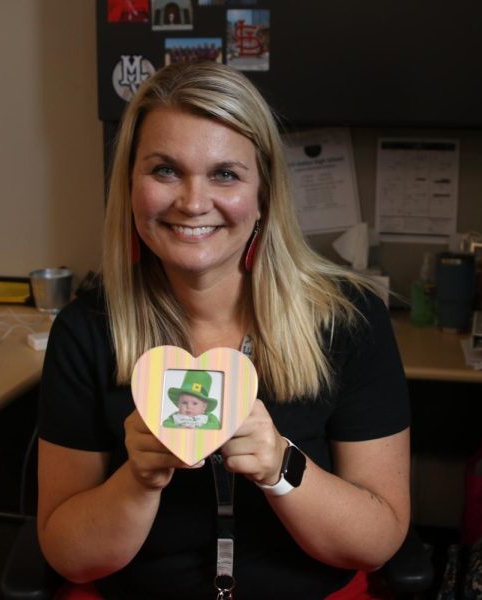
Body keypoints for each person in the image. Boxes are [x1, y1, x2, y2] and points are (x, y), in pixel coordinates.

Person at [37, 61, 410, 599]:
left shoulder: (349, 321)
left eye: (225, 174)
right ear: (130, 184)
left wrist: (280, 465)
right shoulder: (88, 331)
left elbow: (375, 543)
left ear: (263, 195)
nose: (192, 201)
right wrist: (136, 481)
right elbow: (69, 557)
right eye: (165, 170)